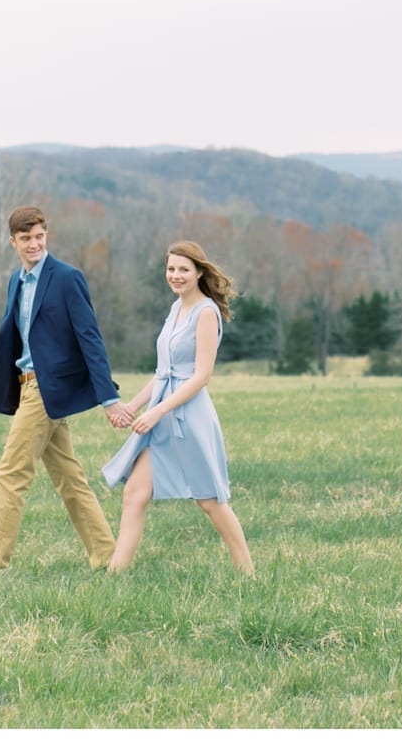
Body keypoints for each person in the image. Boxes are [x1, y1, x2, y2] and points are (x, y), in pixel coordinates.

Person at [0, 205, 133, 574]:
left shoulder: (67, 278)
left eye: (39, 237)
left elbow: (90, 339)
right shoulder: (15, 281)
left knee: (10, 475)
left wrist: (109, 398)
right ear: (13, 242)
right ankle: (108, 556)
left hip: (46, 391)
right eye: (25, 239)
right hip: (25, 387)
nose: (34, 244)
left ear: (46, 236)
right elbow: (9, 344)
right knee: (69, 478)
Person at [102, 240, 255, 574]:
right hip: (161, 413)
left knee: (210, 500)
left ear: (199, 272)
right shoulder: (176, 308)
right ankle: (115, 574)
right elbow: (163, 373)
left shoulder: (206, 313)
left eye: (183, 269)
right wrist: (134, 405)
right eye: (171, 268)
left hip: (189, 418)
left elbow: (201, 377)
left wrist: (157, 412)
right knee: (134, 493)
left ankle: (248, 574)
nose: (175, 275)